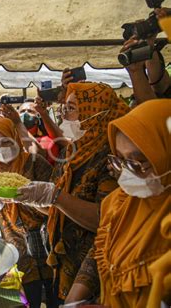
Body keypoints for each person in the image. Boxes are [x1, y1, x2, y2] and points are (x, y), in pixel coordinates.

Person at [13, 82, 129, 302]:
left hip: (96, 277)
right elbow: (57, 209)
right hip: (63, 266)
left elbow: (105, 220)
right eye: (63, 107)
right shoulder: (71, 153)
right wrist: (23, 198)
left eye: (72, 108)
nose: (65, 114)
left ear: (94, 110)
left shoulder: (114, 158)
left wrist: (55, 196)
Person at [67, 99, 171, 306]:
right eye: (120, 160)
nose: (127, 173)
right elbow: (101, 250)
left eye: (138, 162)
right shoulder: (117, 203)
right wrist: (73, 300)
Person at [0, 117, 55, 308]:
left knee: (54, 297)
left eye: (6, 141)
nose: (1, 147)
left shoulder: (36, 163)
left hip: (49, 247)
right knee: (29, 300)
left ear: (16, 140)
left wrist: (31, 199)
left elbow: (57, 210)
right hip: (18, 252)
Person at [18, 100, 60, 164]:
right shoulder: (10, 137)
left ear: (37, 119)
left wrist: (18, 125)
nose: (25, 113)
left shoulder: (47, 141)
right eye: (22, 111)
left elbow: (36, 157)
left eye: (30, 111)